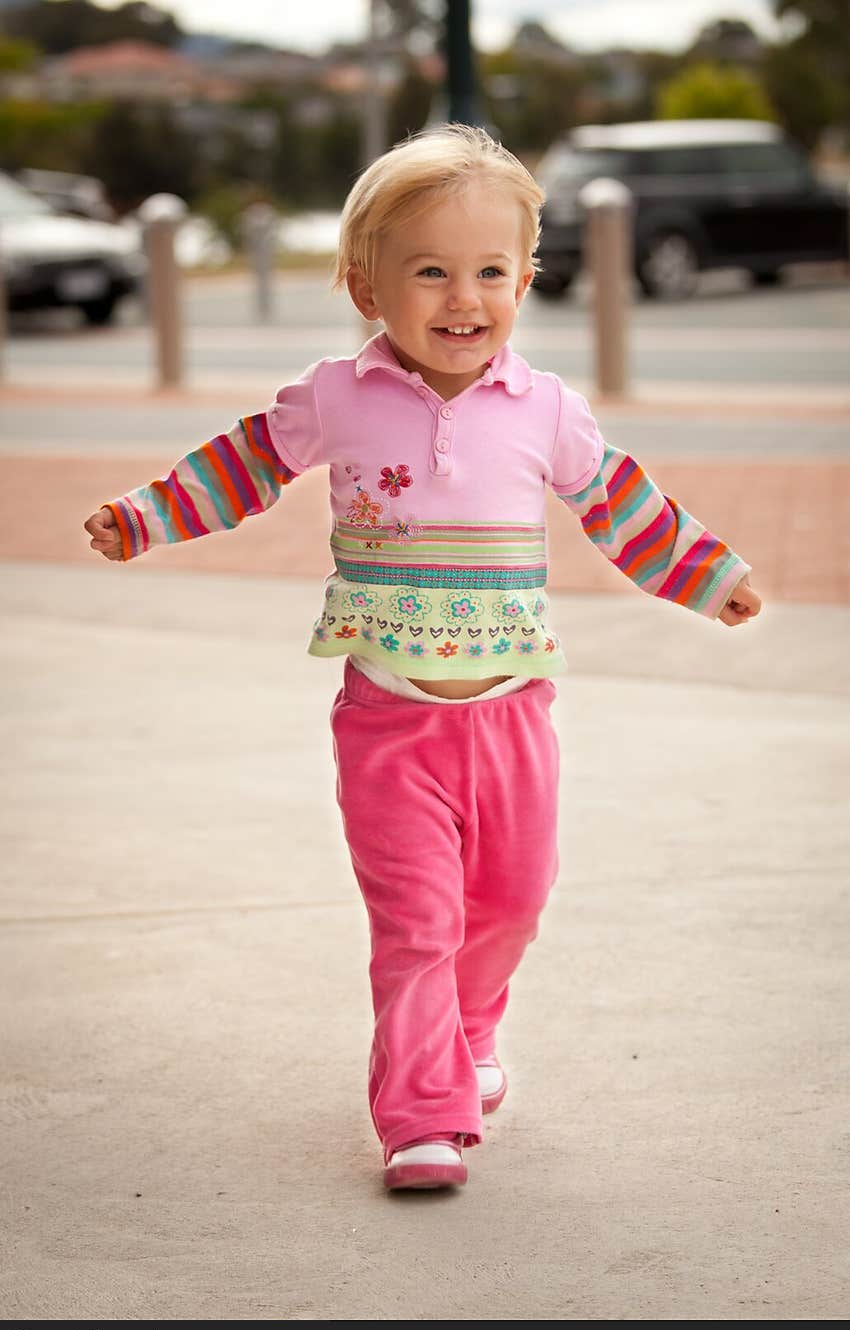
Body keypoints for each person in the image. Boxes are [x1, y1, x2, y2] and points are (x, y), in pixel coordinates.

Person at [83, 124, 762, 1193]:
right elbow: (240, 464)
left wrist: (709, 577)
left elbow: (624, 508)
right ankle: (420, 1117)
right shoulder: (335, 396)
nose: (464, 298)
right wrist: (144, 517)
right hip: (389, 723)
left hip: (511, 719)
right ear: (366, 286)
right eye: (431, 271)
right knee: (416, 926)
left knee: (511, 905)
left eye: (491, 271)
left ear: (527, 280)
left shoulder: (544, 409)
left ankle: (473, 1029)